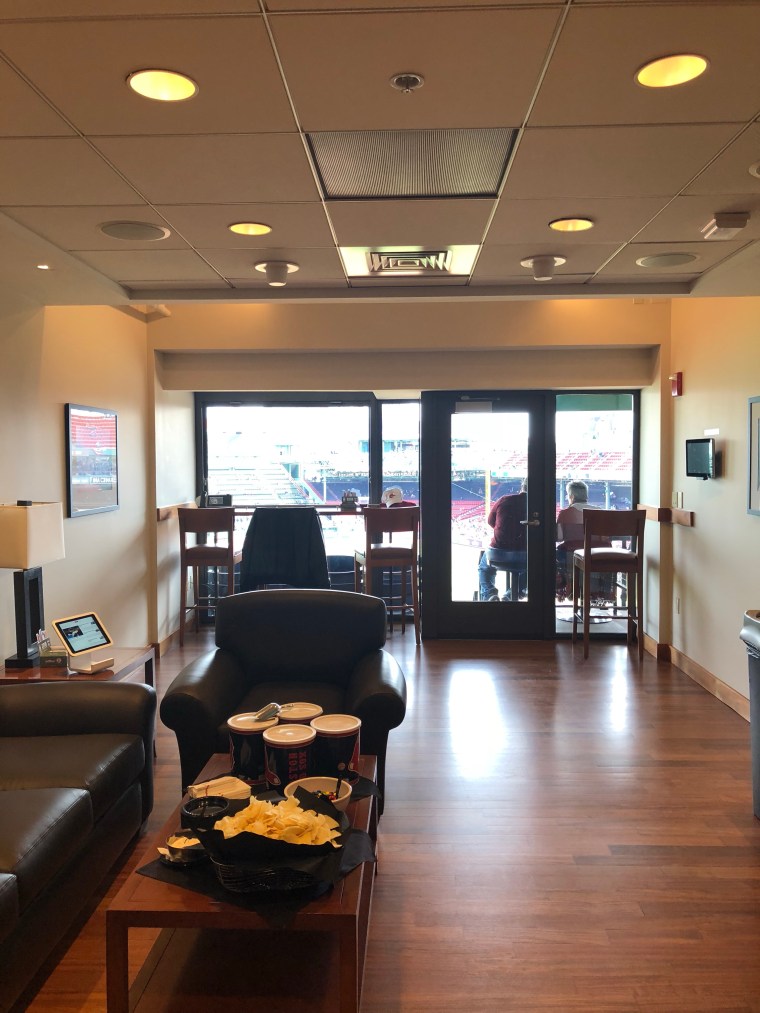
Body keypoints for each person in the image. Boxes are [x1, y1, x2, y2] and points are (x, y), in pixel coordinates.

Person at [555, 480, 610, 599]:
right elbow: (605, 538)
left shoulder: (565, 513)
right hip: (598, 557)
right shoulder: (599, 512)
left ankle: (568, 589)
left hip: (571, 556)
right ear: (586, 496)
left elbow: (559, 537)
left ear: (571, 496)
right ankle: (598, 591)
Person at [478, 479, 527, 601]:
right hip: (525, 554)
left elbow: (491, 521)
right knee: (533, 567)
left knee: (484, 568)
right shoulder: (538, 505)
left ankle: (490, 594)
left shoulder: (504, 499)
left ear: (522, 487)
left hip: (498, 552)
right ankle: (511, 595)